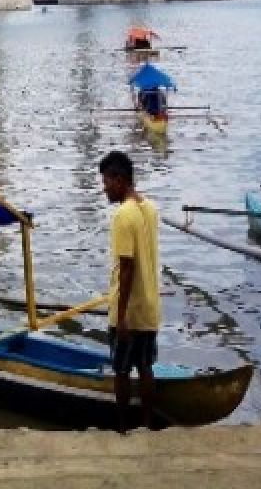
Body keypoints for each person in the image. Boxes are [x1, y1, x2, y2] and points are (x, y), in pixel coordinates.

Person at [99, 150, 161, 432]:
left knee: (122, 371)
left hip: (128, 310)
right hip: (149, 306)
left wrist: (121, 314)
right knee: (146, 367)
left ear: (120, 180)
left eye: (107, 182)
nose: (104, 188)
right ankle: (147, 424)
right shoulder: (149, 207)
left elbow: (126, 268)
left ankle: (122, 428)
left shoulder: (123, 215)